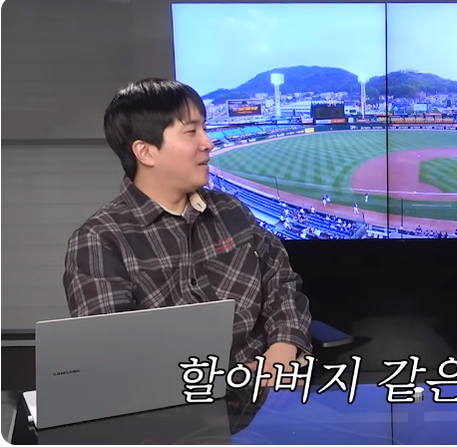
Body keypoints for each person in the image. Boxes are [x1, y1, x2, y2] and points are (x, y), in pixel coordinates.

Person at [63, 78, 312, 386]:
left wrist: (282, 351)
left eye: (204, 129)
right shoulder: (99, 241)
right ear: (145, 152)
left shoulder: (231, 210)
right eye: (191, 132)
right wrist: (240, 379)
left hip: (274, 392)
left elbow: (281, 283)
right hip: (177, 409)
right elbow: (116, 358)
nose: (208, 142)